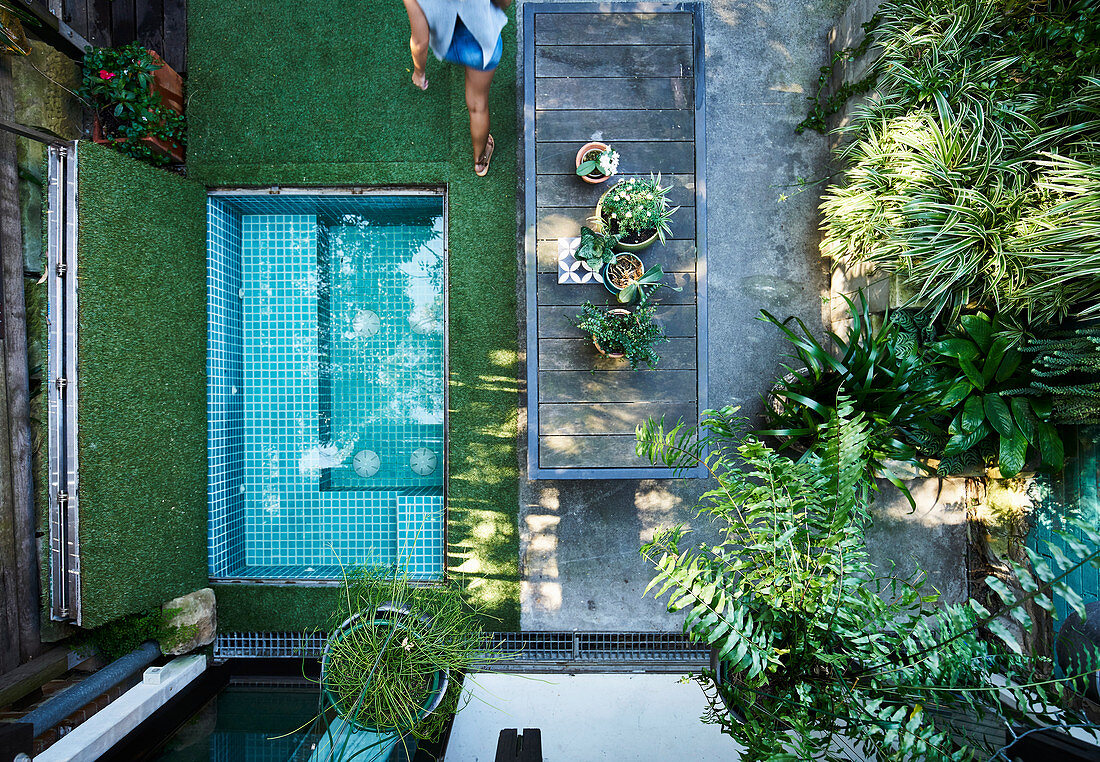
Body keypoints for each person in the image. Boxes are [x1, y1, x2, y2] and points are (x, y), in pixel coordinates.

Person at [402, 0, 511, 177]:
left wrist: (419, 73)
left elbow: (420, 41)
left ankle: (461, 60)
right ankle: (480, 161)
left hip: (449, 47)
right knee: (477, 105)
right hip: (482, 48)